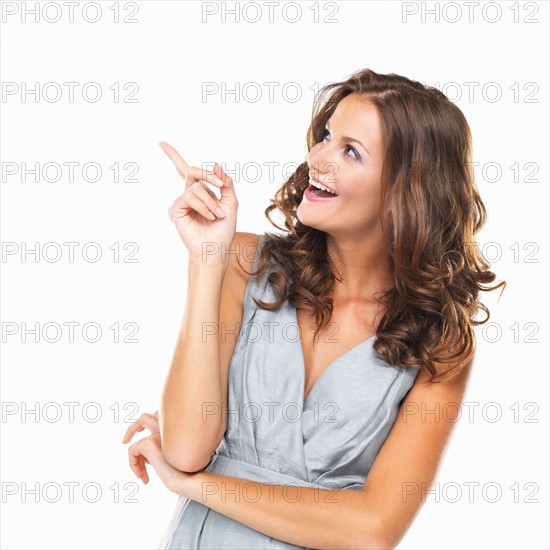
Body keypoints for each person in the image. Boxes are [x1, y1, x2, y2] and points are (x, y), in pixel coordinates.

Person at [122, 68, 506, 549]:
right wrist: (206, 262)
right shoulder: (244, 263)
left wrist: (198, 486)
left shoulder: (440, 342)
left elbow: (372, 530)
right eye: (326, 136)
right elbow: (184, 447)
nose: (316, 158)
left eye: (350, 151)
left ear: (405, 192)